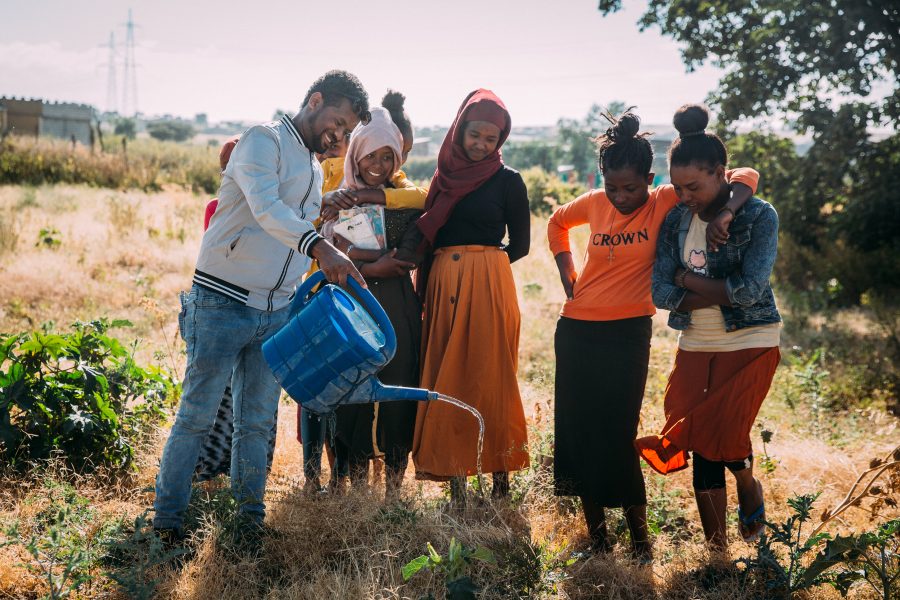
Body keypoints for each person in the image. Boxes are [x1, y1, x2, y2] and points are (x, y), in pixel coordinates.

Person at [152, 70, 370, 543]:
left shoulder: (312, 165)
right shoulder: (261, 140)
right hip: (222, 301)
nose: (341, 136)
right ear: (314, 101)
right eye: (339, 121)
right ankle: (167, 524)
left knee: (256, 424)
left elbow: (292, 218)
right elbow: (267, 209)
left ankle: (246, 526)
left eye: (348, 131)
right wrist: (321, 247)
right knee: (197, 417)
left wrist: (324, 206)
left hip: (275, 310)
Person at [547, 108, 760, 559]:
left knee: (618, 431)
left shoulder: (665, 198)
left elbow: (745, 174)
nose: (621, 197)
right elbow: (556, 224)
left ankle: (641, 541)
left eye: (631, 187)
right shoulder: (594, 203)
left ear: (648, 178)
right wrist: (568, 273)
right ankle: (598, 537)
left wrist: (728, 213)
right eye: (612, 187)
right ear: (601, 178)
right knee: (580, 431)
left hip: (628, 333)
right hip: (576, 330)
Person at [636, 104, 781, 551]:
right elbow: (660, 293)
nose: (684, 196)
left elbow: (750, 292)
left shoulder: (758, 216)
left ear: (722, 173)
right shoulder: (677, 219)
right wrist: (707, 287)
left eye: (694, 186)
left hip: (751, 340)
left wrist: (687, 280)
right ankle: (717, 552)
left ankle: (747, 482)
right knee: (698, 433)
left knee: (725, 431)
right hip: (695, 341)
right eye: (677, 187)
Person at [301, 91, 428, 497]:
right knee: (348, 389)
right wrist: (374, 265)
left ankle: (393, 485)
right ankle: (348, 482)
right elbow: (325, 245)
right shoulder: (337, 197)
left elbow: (407, 258)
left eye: (387, 157)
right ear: (355, 154)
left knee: (397, 385)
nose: (377, 166)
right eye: (370, 156)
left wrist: (360, 256)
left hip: (395, 306)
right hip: (349, 304)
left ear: (398, 159)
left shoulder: (406, 201)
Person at [412, 89, 530, 505]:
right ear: (458, 131)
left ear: (501, 141)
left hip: (487, 282)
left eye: (491, 139)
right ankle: (456, 479)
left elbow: (521, 245)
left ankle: (500, 481)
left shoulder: (509, 181)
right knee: (449, 374)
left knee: (492, 375)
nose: (481, 145)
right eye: (475, 135)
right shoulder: (443, 179)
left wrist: (481, 268)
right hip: (446, 282)